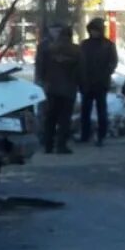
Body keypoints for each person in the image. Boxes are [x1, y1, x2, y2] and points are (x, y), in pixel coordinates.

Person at [35, 22, 81, 155]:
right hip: (68, 89)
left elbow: (41, 67)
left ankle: (48, 145)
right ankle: (61, 145)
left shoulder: (48, 49)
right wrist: (80, 84)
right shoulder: (76, 50)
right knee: (64, 118)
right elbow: (81, 70)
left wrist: (42, 81)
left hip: (51, 88)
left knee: (50, 117)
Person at [78, 17, 118, 146]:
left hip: (101, 82)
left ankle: (101, 135)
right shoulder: (85, 44)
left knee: (101, 110)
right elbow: (79, 62)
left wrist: (105, 73)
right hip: (86, 82)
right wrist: (81, 78)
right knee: (85, 111)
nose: (94, 32)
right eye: (92, 30)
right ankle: (85, 135)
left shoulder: (108, 45)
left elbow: (113, 62)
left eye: (96, 30)